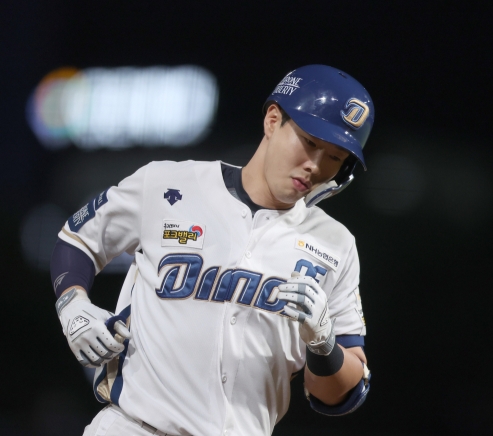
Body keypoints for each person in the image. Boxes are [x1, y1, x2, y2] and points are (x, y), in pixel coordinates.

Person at [50, 64, 374, 436]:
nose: (315, 166)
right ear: (272, 120)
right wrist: (72, 304)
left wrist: (324, 342)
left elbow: (338, 396)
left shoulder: (336, 245)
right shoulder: (169, 182)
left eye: (334, 157)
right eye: (310, 142)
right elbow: (78, 238)